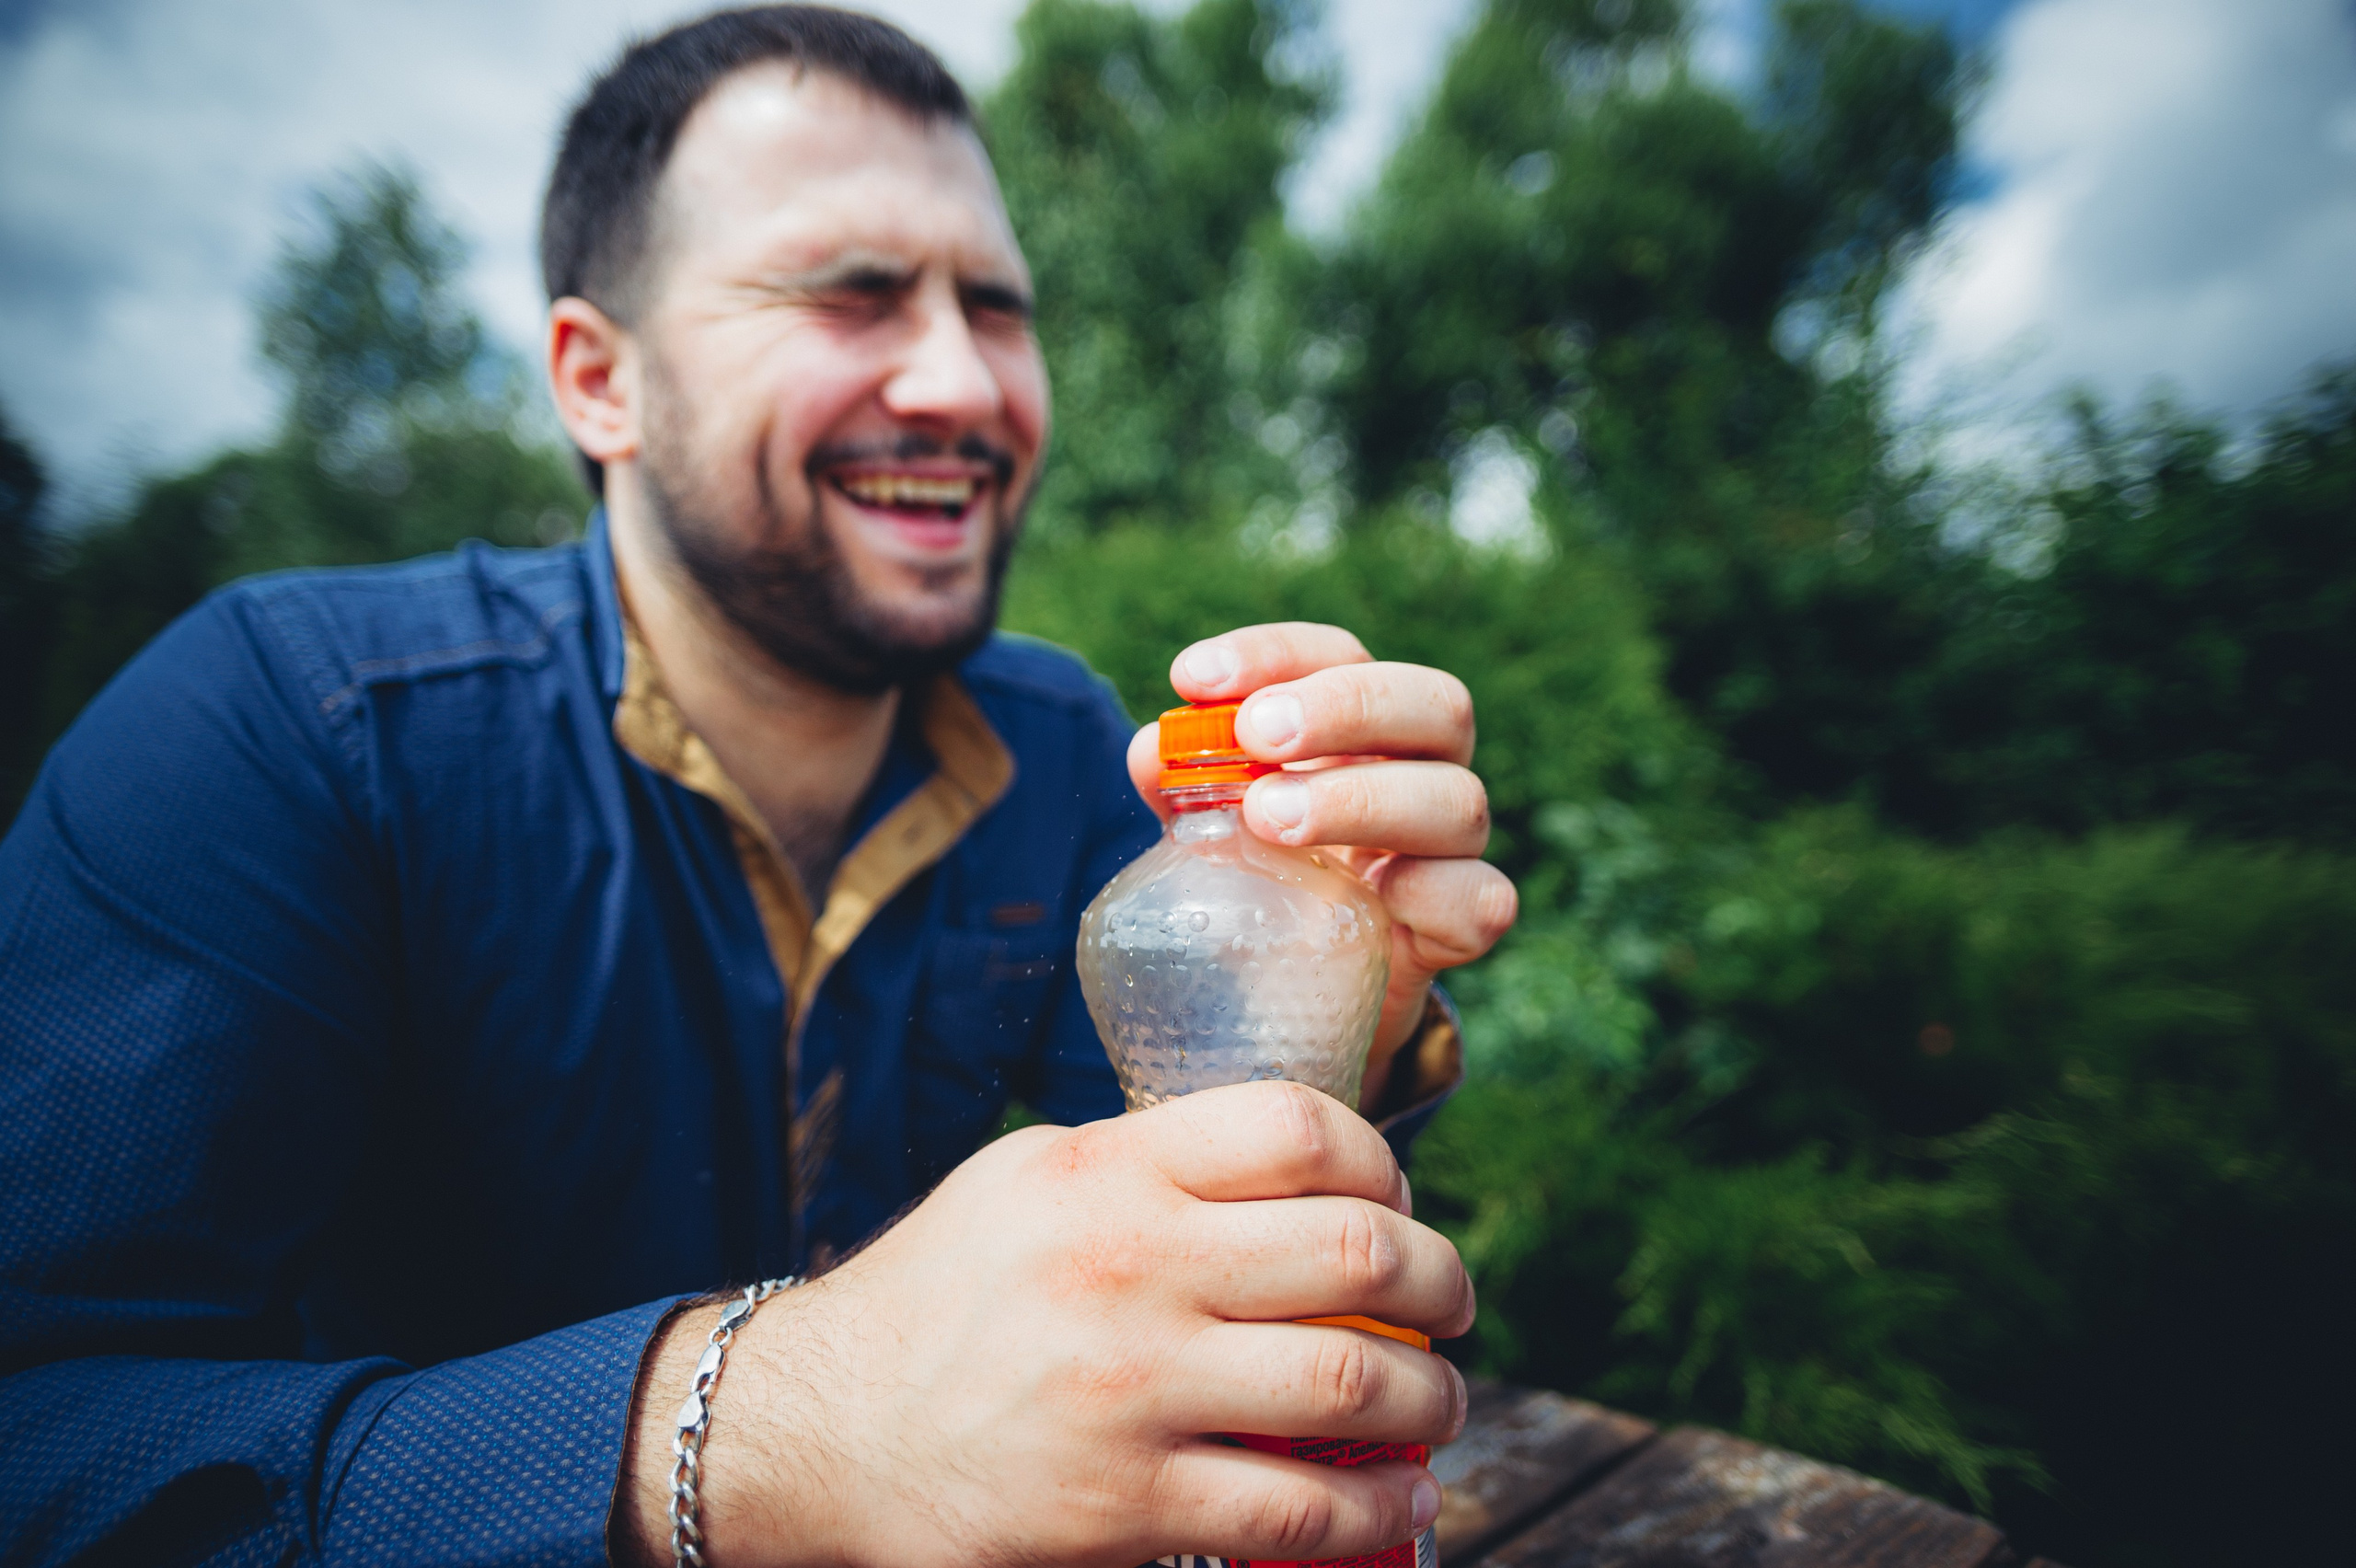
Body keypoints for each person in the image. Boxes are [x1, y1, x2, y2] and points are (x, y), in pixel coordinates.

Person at [0, 8, 1518, 1565]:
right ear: (602, 381)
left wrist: (1341, 997)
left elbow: (1176, 1253)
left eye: (997, 308)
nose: (961, 381)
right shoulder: (279, 731)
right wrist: (760, 1429)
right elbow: (40, 1438)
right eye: (851, 294)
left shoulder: (1064, 744)